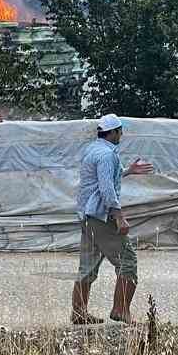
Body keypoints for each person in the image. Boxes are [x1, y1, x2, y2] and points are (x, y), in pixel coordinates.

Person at [71, 114, 154, 326]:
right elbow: (107, 189)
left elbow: (102, 180)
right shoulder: (107, 155)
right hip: (101, 216)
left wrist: (128, 171)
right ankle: (120, 310)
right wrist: (120, 218)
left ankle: (79, 313)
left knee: (87, 265)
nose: (122, 135)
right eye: (120, 131)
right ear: (114, 132)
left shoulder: (92, 149)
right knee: (128, 261)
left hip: (88, 216)